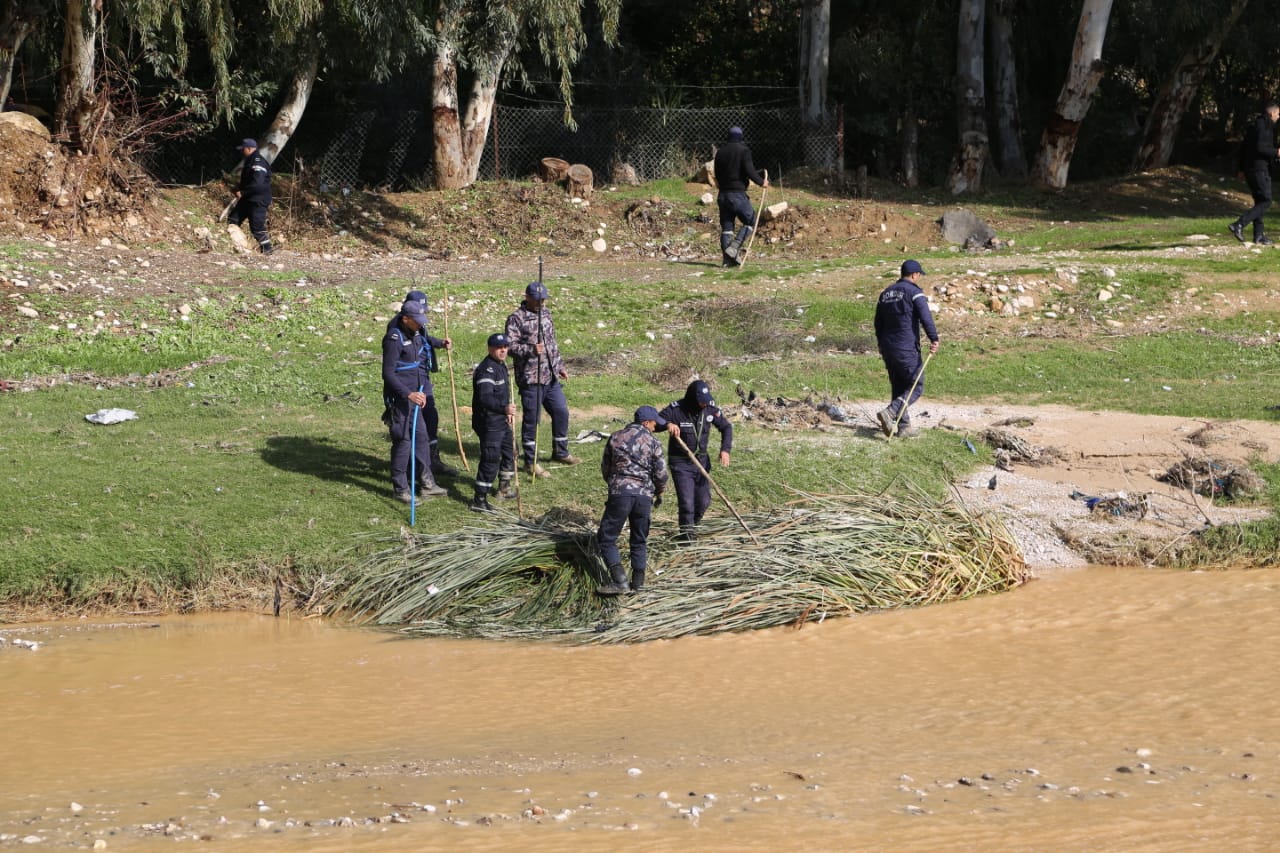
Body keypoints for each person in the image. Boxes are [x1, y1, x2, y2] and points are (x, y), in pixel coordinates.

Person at [505, 281, 581, 477]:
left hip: (551, 376)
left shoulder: (546, 314)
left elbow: (552, 343)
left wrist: (560, 365)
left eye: (544, 299)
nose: (541, 303)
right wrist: (531, 350)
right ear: (528, 297)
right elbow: (509, 347)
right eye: (538, 300)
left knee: (561, 411)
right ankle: (530, 462)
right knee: (532, 421)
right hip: (531, 378)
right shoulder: (516, 318)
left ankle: (561, 451)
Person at [384, 289, 459, 478]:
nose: (422, 316)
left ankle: (432, 461)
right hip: (407, 382)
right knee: (410, 429)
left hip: (422, 378)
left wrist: (440, 343)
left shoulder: (417, 324)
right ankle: (411, 467)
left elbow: (424, 339)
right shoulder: (396, 330)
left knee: (431, 419)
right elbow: (390, 369)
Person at [596, 406, 669, 595]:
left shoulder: (615, 437)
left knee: (606, 538)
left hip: (620, 494)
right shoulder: (654, 442)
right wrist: (659, 491)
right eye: (654, 424)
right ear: (646, 422)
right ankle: (638, 584)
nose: (654, 428)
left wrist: (615, 484)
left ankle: (620, 580)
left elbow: (606, 467)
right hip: (644, 497)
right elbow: (661, 474)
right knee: (639, 539)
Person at [658, 380, 732, 541]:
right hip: (681, 464)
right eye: (701, 401)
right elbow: (656, 422)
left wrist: (725, 450)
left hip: (702, 463)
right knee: (686, 503)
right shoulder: (676, 409)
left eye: (706, 401)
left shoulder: (710, 409)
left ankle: (692, 527)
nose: (704, 405)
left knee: (703, 501)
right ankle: (687, 538)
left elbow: (726, 427)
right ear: (692, 398)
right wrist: (668, 424)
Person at [874, 260, 939, 438]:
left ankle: (903, 427)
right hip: (906, 347)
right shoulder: (914, 292)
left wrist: (881, 343)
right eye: (919, 275)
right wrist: (934, 338)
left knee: (899, 386)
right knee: (916, 385)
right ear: (914, 275)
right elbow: (926, 317)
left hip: (888, 347)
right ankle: (891, 411)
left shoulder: (885, 293)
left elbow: (877, 323)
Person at [469, 333, 518, 513]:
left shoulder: (501, 365)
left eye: (505, 346)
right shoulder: (486, 370)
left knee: (511, 451)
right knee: (491, 459)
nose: (503, 350)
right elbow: (485, 398)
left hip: (501, 420)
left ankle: (504, 489)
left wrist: (508, 413)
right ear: (490, 349)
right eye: (499, 347)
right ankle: (479, 499)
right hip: (489, 422)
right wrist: (504, 408)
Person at [713, 126, 769, 267]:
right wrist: (762, 182)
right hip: (737, 195)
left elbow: (717, 174)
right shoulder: (744, 151)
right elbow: (749, 171)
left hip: (723, 195)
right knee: (751, 221)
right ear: (741, 137)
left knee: (727, 228)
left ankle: (727, 260)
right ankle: (734, 247)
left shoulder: (720, 152)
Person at [1230, 102, 1280, 245]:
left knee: (1259, 200)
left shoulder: (1253, 126)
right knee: (1266, 200)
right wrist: (1276, 152)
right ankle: (1239, 224)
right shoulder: (1264, 126)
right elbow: (1260, 147)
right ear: (1272, 114)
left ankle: (1258, 235)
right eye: (1278, 114)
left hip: (1250, 169)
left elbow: (1243, 148)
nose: (1279, 117)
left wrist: (1240, 169)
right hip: (1259, 169)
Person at [228, 138, 274, 254]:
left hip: (258, 199)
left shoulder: (258, 162)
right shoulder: (250, 160)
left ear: (249, 149)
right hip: (248, 197)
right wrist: (238, 188)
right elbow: (249, 181)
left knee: (257, 227)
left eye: (243, 149)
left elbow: (257, 183)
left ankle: (267, 249)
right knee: (233, 220)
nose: (241, 152)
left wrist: (242, 192)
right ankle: (233, 245)